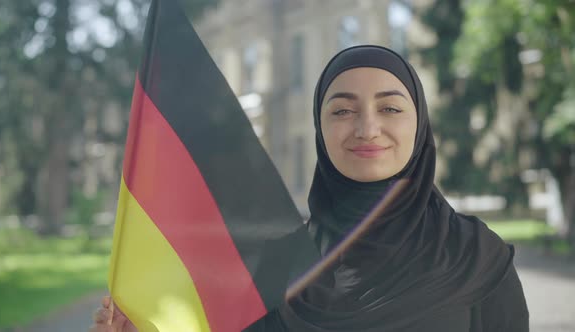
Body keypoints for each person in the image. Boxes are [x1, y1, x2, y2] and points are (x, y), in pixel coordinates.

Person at [90, 45, 529, 332]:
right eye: (342, 111)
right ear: (320, 129)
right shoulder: (276, 267)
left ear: (419, 124)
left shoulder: (479, 258)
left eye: (391, 107)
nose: (367, 128)